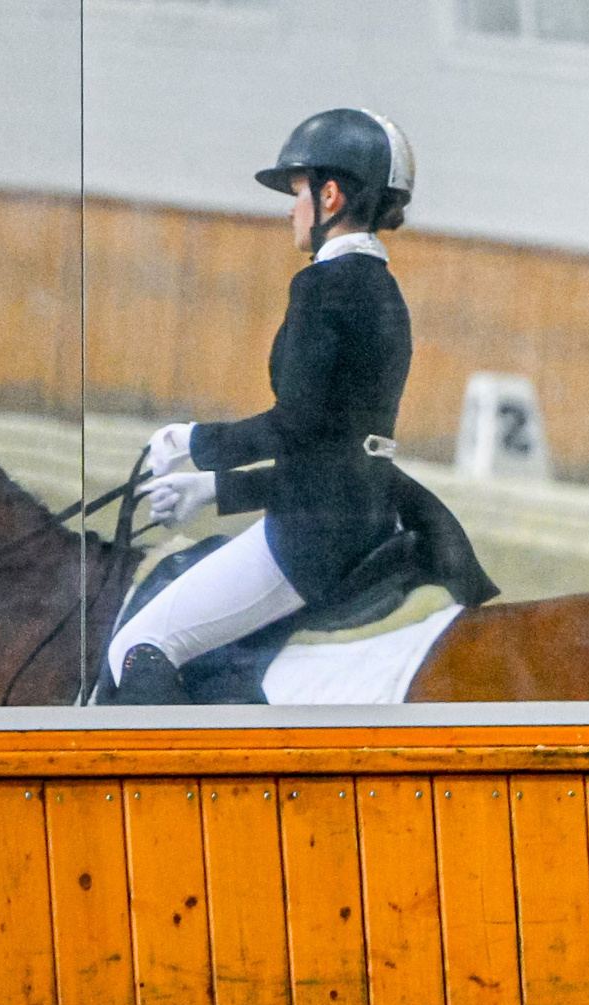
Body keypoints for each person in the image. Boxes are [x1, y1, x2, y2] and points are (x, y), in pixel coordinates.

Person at [111, 108, 419, 704]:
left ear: (331, 196)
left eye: (299, 191)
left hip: (314, 539)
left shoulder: (323, 286)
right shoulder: (384, 291)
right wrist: (215, 492)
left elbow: (295, 426)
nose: (291, 207)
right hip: (361, 518)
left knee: (140, 645)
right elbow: (333, 455)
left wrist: (192, 443)